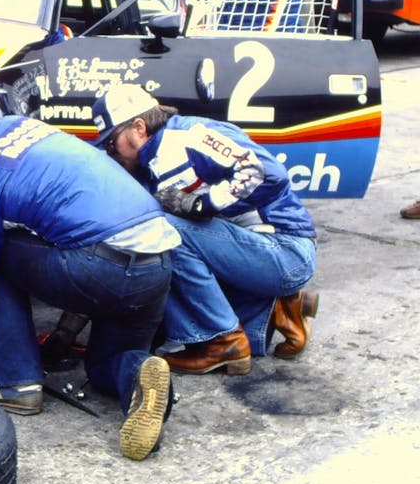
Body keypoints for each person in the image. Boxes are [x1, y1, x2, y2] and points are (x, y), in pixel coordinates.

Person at [0, 115, 179, 460]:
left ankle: (14, 382)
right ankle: (140, 374)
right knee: (103, 367)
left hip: (100, 261)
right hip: (157, 263)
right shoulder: (30, 130)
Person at [92, 84, 318, 375]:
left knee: (161, 231)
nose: (112, 152)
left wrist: (203, 205)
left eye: (112, 142)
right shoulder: (149, 165)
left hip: (286, 249)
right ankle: (279, 307)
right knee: (165, 252)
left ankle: (221, 341)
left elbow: (265, 173)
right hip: (259, 254)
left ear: (138, 127)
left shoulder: (190, 135)